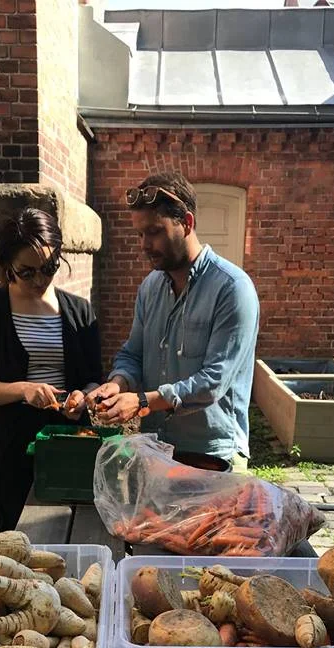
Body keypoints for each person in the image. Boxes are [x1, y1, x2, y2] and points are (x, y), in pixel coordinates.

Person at [88, 172, 259, 471]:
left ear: (187, 223)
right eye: (140, 234)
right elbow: (133, 354)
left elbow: (214, 382)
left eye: (154, 232)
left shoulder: (232, 288)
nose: (144, 244)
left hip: (213, 456)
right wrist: (117, 383)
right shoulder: (150, 288)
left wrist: (141, 402)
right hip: (157, 449)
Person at [0, 207, 102, 536]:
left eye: (49, 267)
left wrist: (81, 398)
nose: (40, 280)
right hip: (10, 449)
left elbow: (93, 377)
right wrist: (23, 389)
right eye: (27, 272)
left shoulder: (80, 311)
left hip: (68, 447)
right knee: (4, 546)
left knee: (68, 541)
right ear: (6, 265)